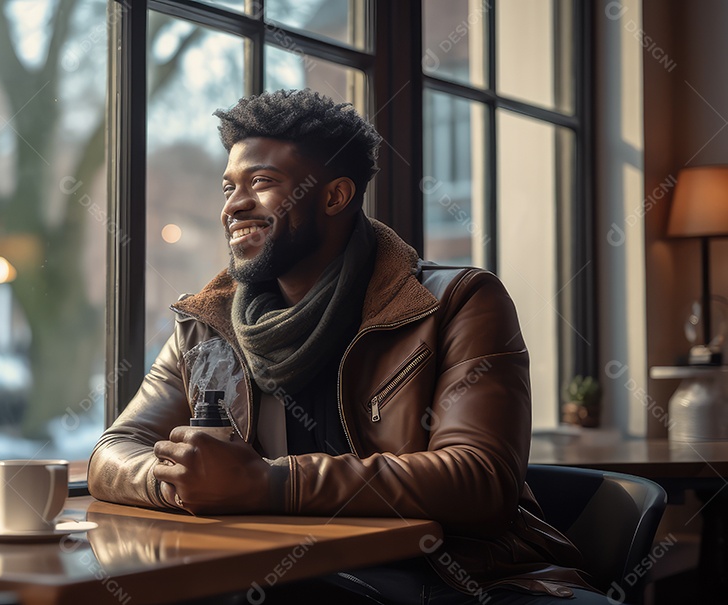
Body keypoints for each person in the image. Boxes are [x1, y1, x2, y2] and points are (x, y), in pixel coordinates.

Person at [88, 89, 605, 603]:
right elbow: (112, 454)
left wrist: (268, 485)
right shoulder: (206, 322)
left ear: (335, 196)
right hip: (291, 577)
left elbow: (479, 479)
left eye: (262, 183)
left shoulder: (457, 301)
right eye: (229, 187)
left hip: (456, 579)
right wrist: (188, 481)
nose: (234, 205)